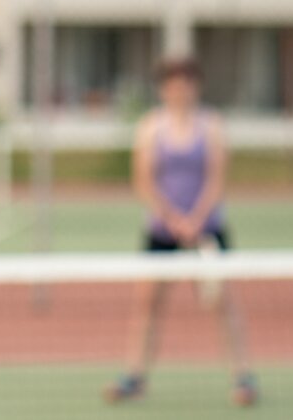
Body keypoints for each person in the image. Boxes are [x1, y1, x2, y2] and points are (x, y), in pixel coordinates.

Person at [105, 57, 256, 407]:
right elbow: (143, 181)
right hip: (162, 231)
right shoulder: (150, 127)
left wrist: (197, 220)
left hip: (208, 229)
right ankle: (134, 375)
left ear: (196, 86)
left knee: (223, 302)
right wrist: (173, 220)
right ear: (164, 88)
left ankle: (243, 376)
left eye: (187, 81)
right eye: (173, 82)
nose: (180, 88)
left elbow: (217, 178)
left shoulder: (212, 126)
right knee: (146, 304)